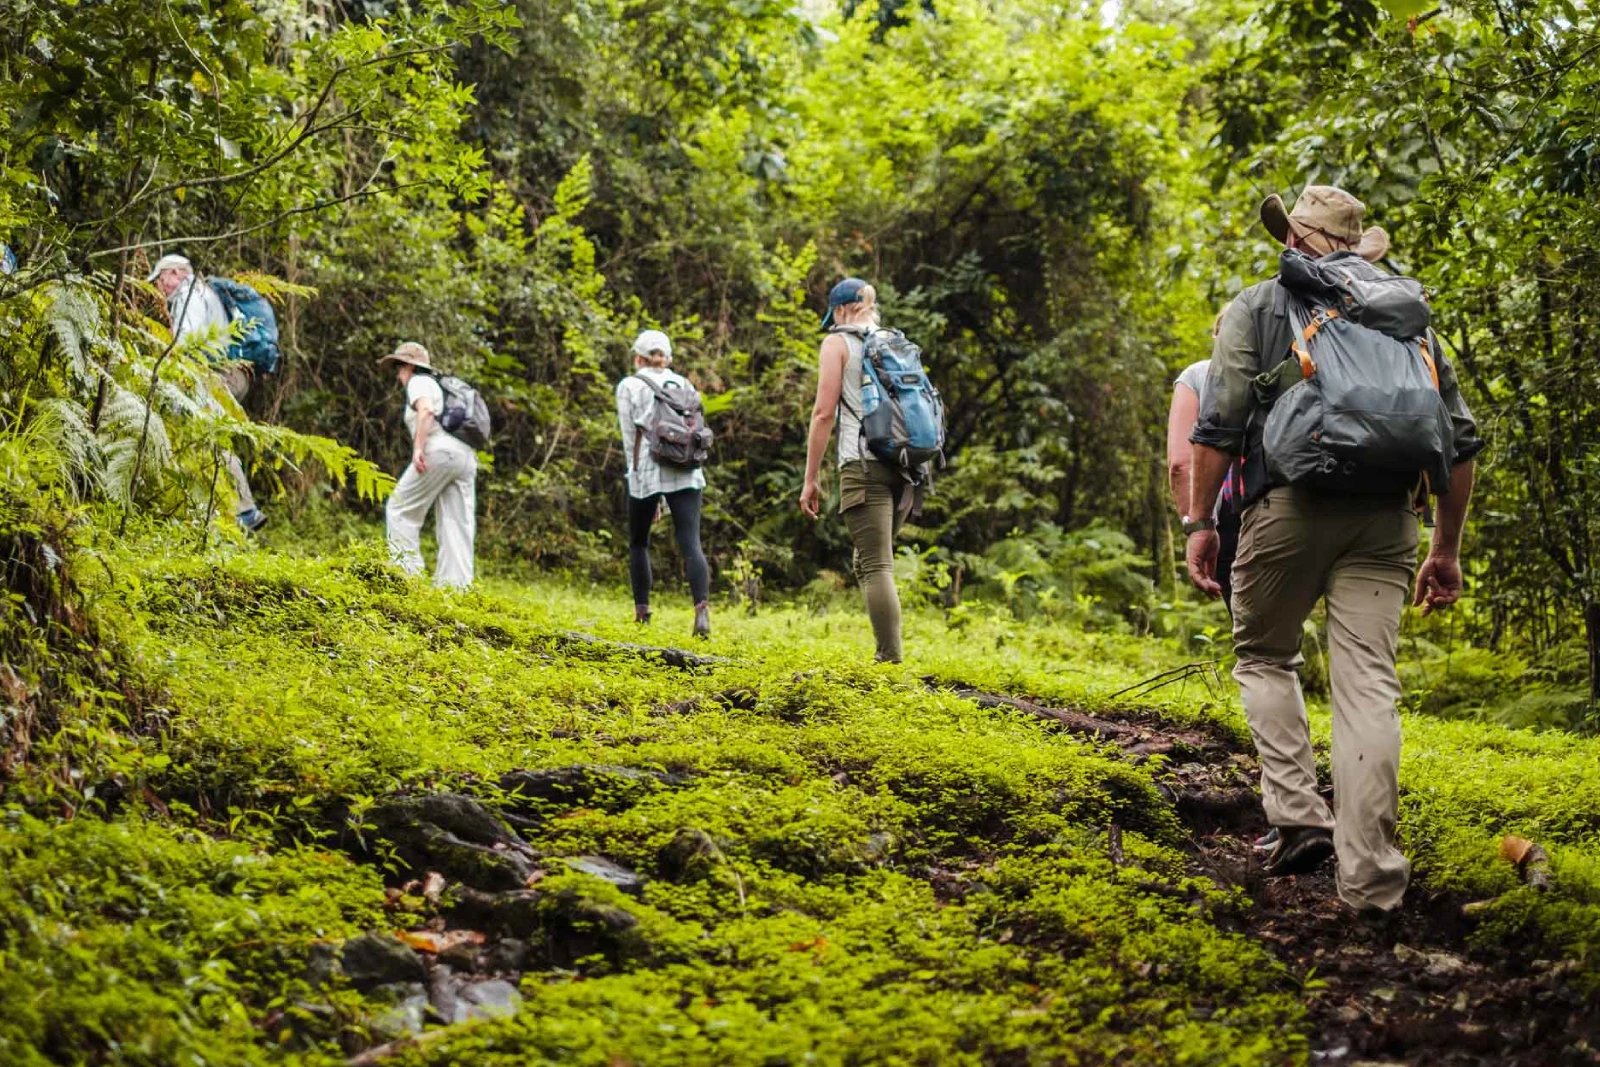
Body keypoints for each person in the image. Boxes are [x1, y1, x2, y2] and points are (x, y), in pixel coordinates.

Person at [1186, 186, 1483, 917]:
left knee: (1263, 655)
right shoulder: (1406, 314)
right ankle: (1374, 881)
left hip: (1287, 507)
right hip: (1388, 518)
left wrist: (1201, 521)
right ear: (1358, 247)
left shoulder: (1260, 304)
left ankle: (1296, 816)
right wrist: (1445, 548)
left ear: (1293, 237)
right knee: (1368, 690)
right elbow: (1462, 440)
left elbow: (1219, 424)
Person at [799, 278, 910, 664]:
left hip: (863, 463)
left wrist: (810, 478)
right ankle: (889, 650)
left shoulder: (837, 342)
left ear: (842, 309)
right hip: (905, 464)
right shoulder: (892, 341)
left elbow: (824, 413)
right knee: (871, 561)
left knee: (877, 564)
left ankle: (889, 660)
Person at [148, 253, 266, 531]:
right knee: (202, 437)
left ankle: (243, 511)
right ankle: (221, 513)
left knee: (207, 438)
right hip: (230, 374)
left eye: (161, 278)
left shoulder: (191, 297)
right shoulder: (202, 293)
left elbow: (188, 344)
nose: (159, 286)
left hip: (220, 374)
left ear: (175, 274)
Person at [615, 330, 711, 638]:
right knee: (690, 542)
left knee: (639, 541)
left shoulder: (629, 385)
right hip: (687, 466)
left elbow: (630, 436)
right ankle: (702, 611)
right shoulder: (683, 383)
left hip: (647, 467)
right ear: (667, 358)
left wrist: (638, 480)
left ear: (637, 358)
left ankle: (642, 613)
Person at [378, 342, 478, 590]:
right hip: (464, 454)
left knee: (400, 509)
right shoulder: (442, 387)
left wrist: (418, 448)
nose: (398, 374)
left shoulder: (419, 382)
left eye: (399, 368)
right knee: (456, 522)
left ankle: (406, 577)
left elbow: (426, 412)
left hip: (439, 449)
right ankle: (456, 589)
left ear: (410, 366)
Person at [1167, 306, 1242, 609]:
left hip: (1229, 518)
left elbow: (1180, 464)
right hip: (1287, 510)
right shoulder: (1287, 371)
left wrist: (1199, 527)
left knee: (1255, 637)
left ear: (1216, 337)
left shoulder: (1198, 375)